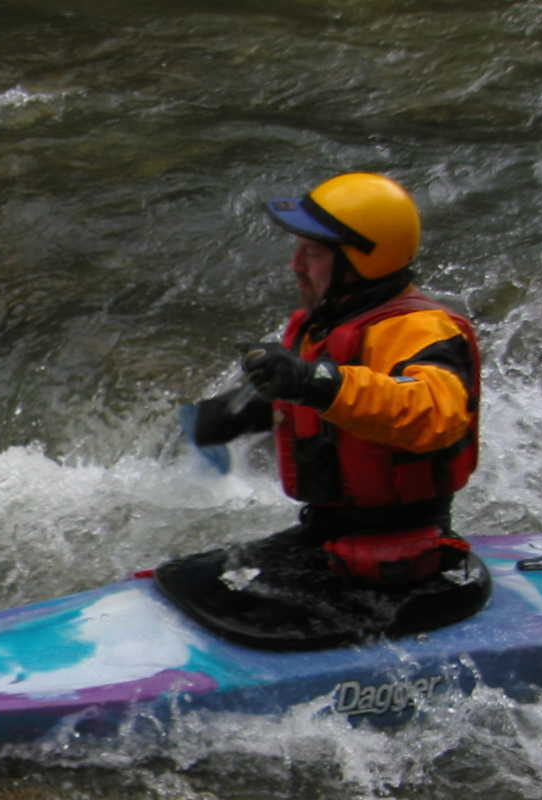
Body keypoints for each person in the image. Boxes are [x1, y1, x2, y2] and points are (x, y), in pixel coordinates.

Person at [157, 171, 490, 650]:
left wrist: (312, 383)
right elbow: (333, 415)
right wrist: (250, 412)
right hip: (327, 537)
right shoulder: (330, 324)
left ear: (361, 261)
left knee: (228, 603)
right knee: (184, 578)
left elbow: (433, 412)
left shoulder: (423, 330)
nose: (295, 266)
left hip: (406, 555)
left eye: (312, 253)